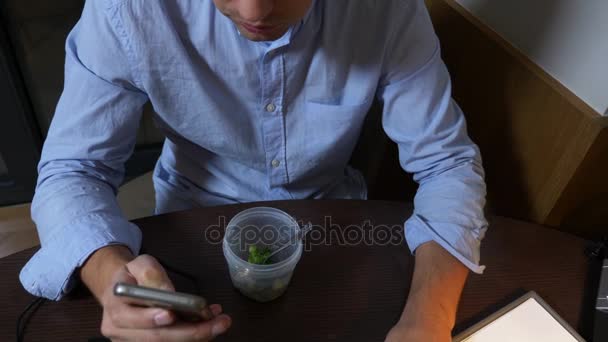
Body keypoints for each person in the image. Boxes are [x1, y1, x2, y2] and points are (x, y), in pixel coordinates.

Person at [20, 0, 488, 341]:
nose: (253, 11)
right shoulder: (128, 10)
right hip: (188, 222)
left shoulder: (385, 11)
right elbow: (72, 169)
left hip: (333, 224)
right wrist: (110, 279)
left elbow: (448, 164)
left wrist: (428, 317)